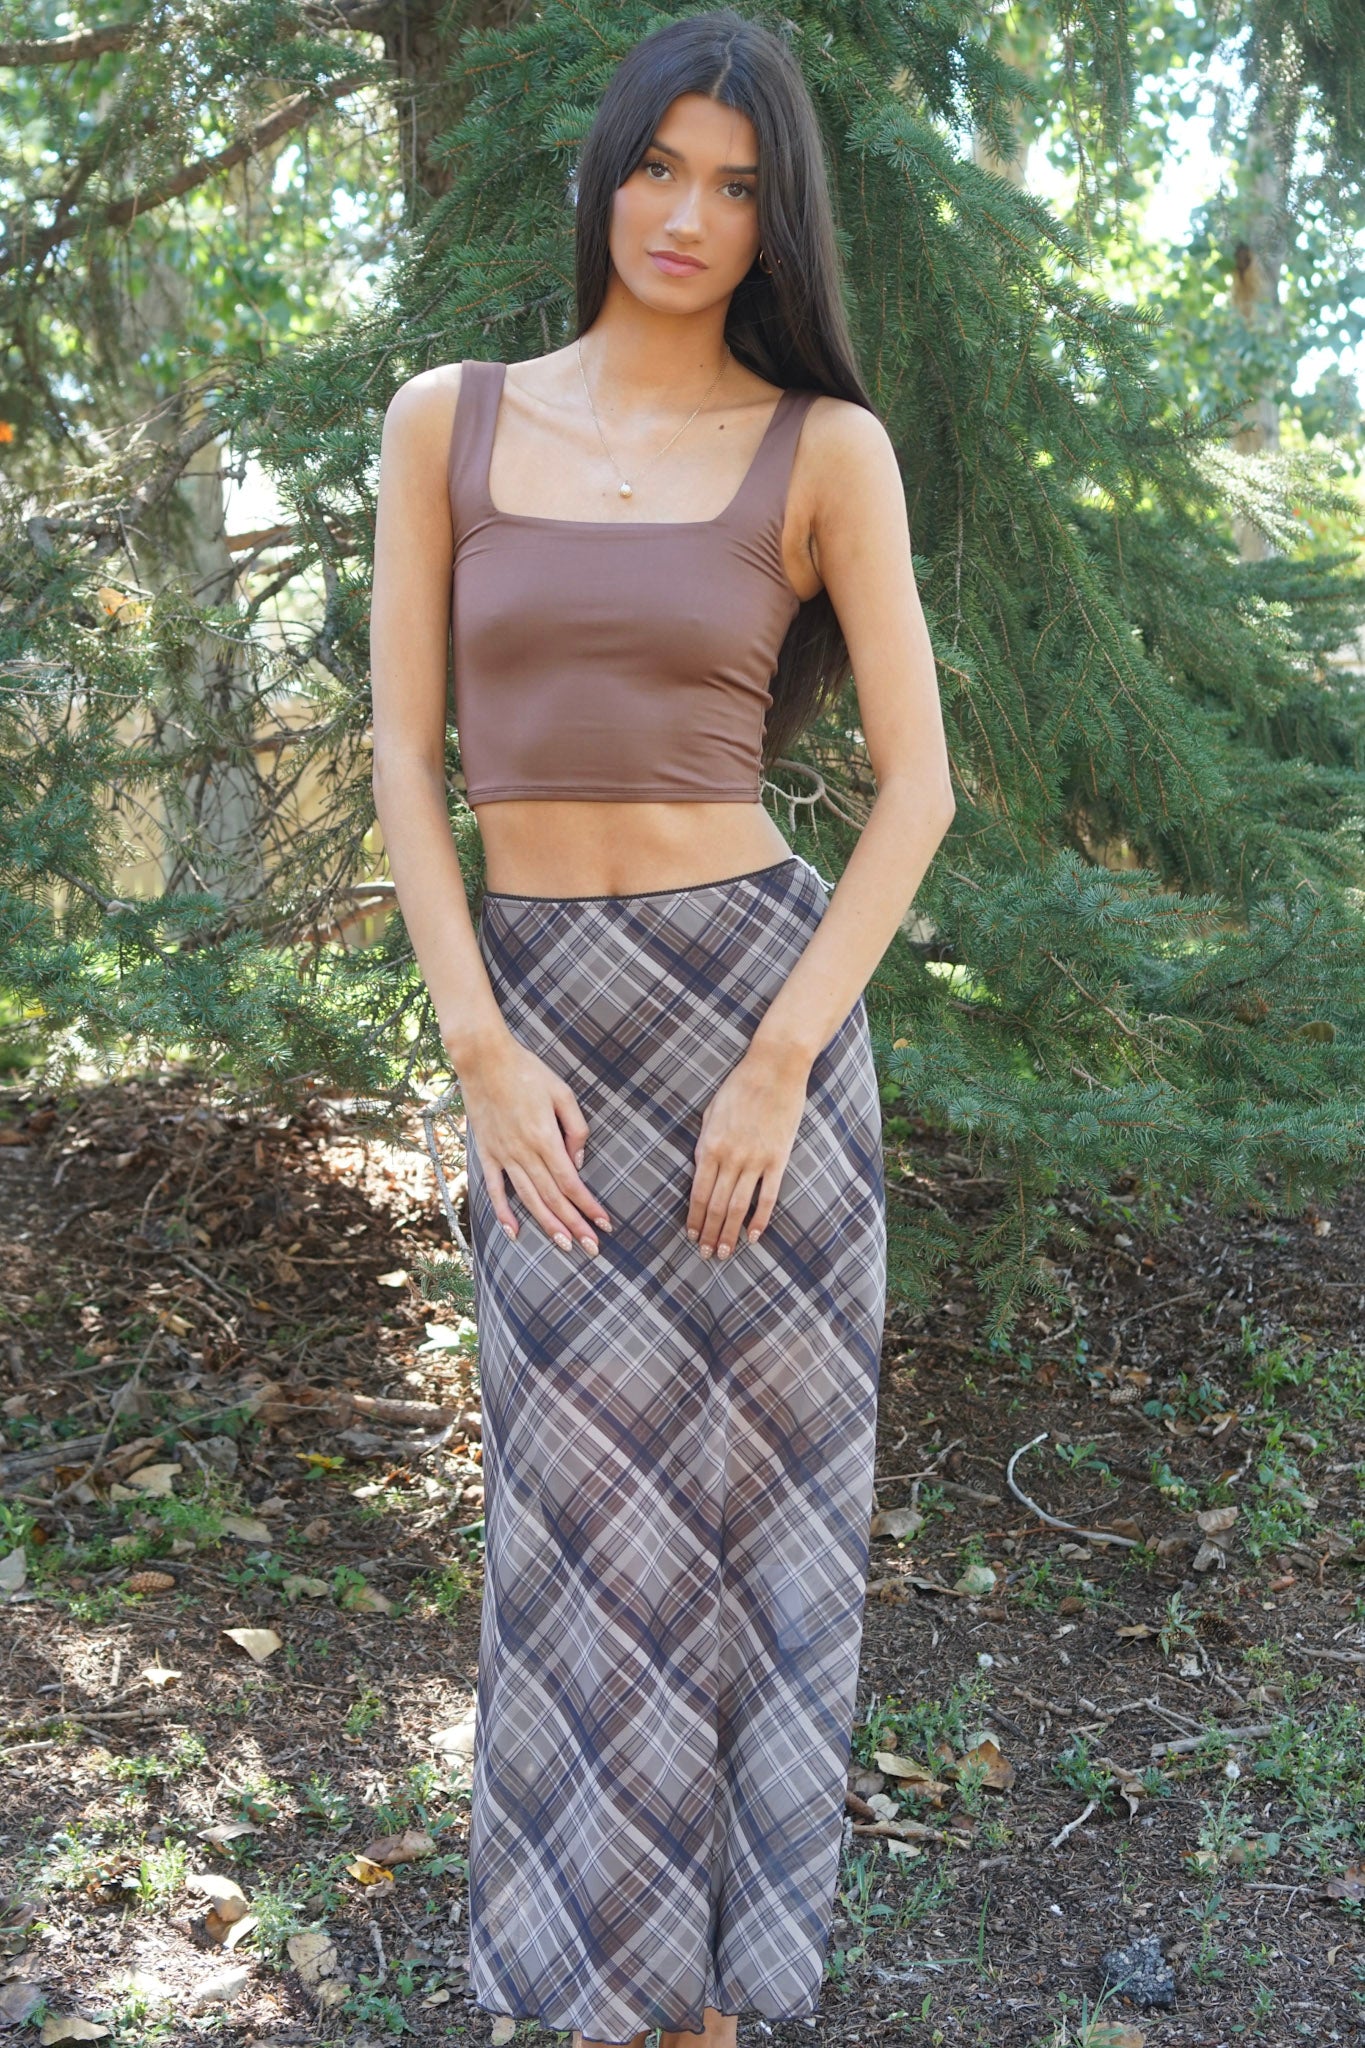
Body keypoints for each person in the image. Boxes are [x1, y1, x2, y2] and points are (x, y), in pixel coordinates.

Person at [370, 10, 953, 2043]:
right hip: (538, 1030)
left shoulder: (822, 450)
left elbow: (916, 790)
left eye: (734, 185)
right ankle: (602, 1996)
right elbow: (403, 758)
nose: (686, 214)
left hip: (752, 1029)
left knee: (749, 1549)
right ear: (600, 173)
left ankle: (706, 2011)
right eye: (655, 166)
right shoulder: (447, 422)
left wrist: (781, 1061)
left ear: (776, 222)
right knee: (575, 1544)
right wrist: (476, 1043)